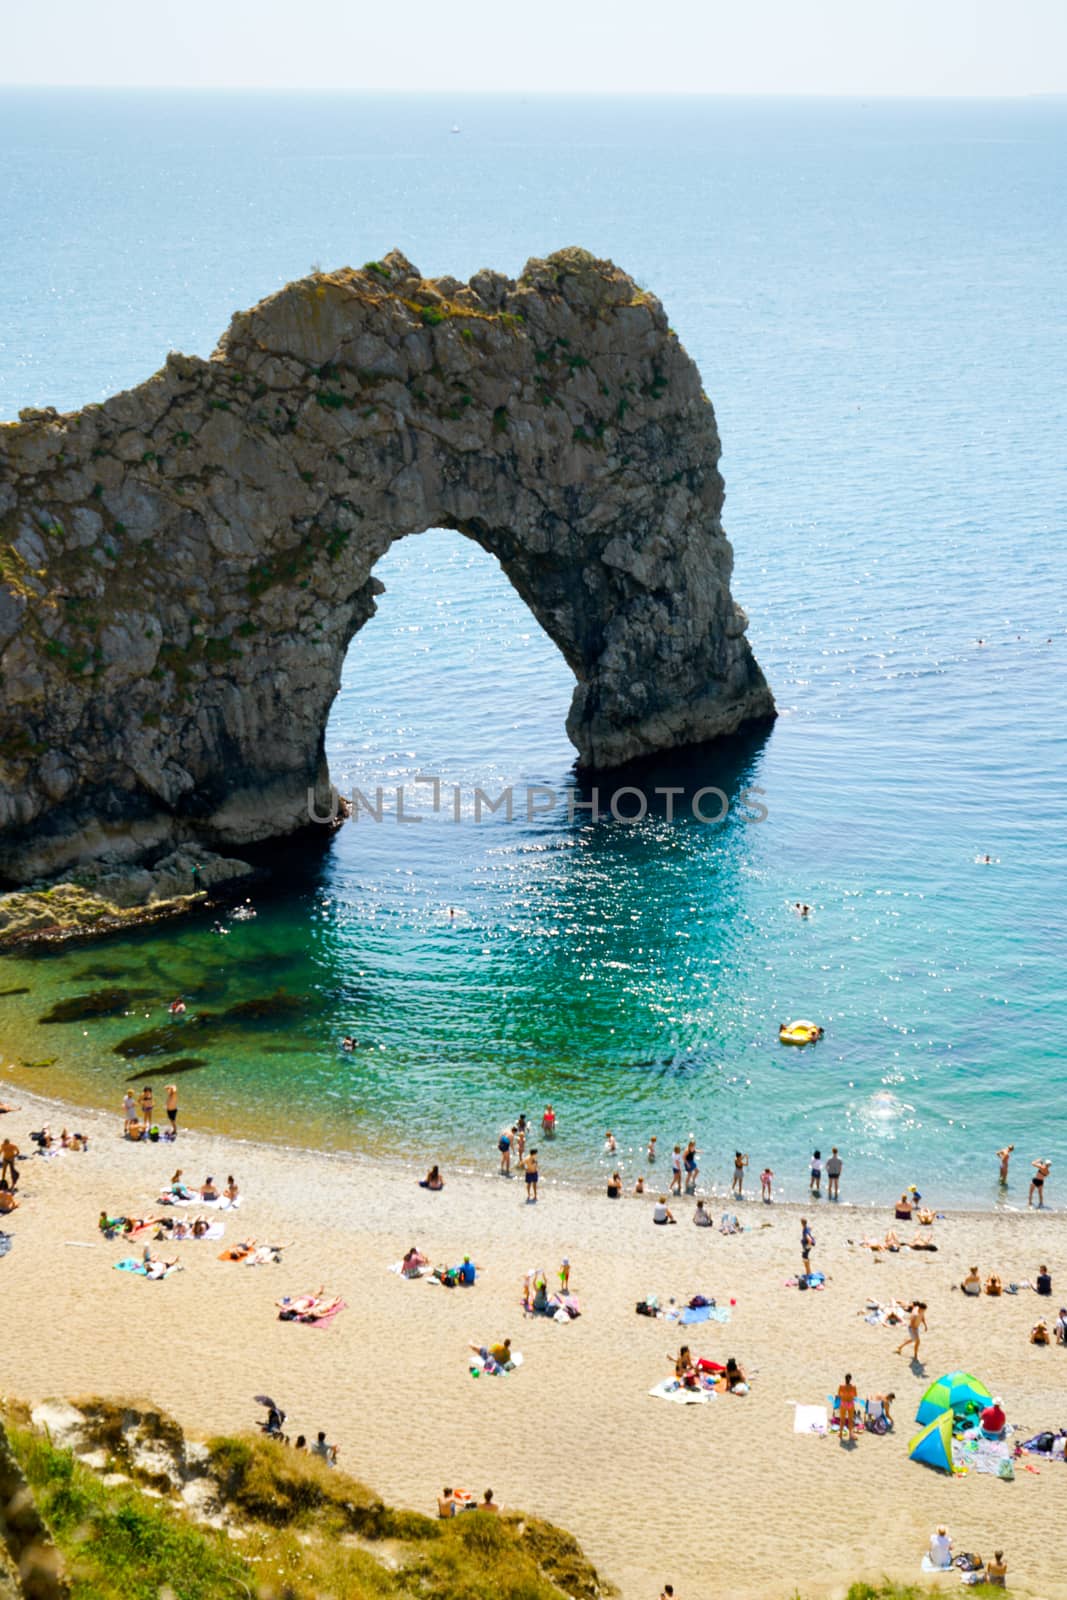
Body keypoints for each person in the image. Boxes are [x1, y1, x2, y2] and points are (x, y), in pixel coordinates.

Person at [837, 1373, 858, 1441]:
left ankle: (840, 1434)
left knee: (842, 1419)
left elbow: (839, 1395)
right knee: (850, 1420)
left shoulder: (841, 1386)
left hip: (843, 1403)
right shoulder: (853, 1387)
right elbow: (855, 1395)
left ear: (845, 1379)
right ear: (850, 1379)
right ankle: (851, 1435)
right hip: (850, 1403)